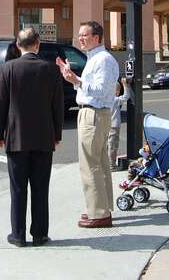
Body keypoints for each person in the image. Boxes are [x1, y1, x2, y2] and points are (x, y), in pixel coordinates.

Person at [0, 27, 64, 248]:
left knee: (18, 189)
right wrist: (57, 134)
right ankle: (40, 234)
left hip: (16, 138)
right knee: (41, 189)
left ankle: (18, 234)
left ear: (17, 45)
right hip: (44, 138)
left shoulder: (6, 69)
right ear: (38, 44)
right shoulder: (51, 69)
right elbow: (58, 106)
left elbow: (0, 104)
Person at [57, 21, 120, 229]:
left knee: (90, 164)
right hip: (93, 113)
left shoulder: (103, 59)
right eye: (80, 35)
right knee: (99, 162)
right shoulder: (96, 58)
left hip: (94, 114)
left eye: (85, 35)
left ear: (97, 37)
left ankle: (99, 213)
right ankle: (102, 208)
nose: (81, 39)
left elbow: (101, 90)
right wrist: (73, 79)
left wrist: (76, 81)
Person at [108, 77, 131, 170]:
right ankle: (112, 165)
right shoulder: (116, 100)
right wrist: (125, 85)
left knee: (106, 145)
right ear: (117, 92)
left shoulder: (105, 100)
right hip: (114, 126)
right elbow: (126, 96)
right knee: (113, 146)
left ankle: (106, 164)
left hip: (106, 125)